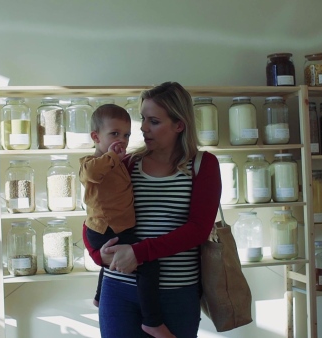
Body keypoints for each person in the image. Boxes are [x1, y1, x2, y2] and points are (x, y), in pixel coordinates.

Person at [83, 82, 221, 338]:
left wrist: (138, 252)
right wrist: (96, 254)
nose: (144, 128)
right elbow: (96, 212)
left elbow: (198, 230)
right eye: (143, 119)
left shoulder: (204, 164)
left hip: (176, 292)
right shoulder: (127, 162)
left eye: (154, 121)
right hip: (119, 289)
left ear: (179, 125)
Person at [80, 104, 174, 338]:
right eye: (114, 134)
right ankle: (152, 321)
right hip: (106, 228)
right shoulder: (91, 163)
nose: (121, 140)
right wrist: (112, 156)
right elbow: (91, 175)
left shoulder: (118, 162)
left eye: (126, 135)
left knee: (111, 260)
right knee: (148, 265)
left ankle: (99, 297)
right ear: (95, 137)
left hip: (115, 227)